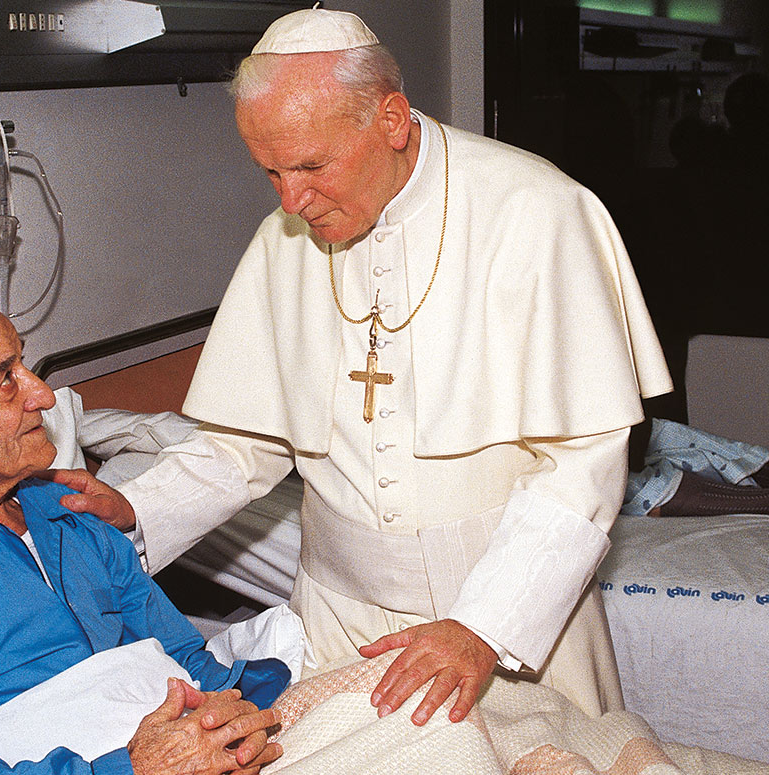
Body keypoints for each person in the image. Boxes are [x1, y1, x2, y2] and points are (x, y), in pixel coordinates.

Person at [53, 8, 672, 726]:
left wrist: (484, 626)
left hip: (500, 615)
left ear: (392, 119)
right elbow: (243, 442)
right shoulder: (287, 234)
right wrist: (137, 507)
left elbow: (584, 456)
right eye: (271, 172)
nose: (290, 201)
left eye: (312, 166)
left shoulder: (537, 211)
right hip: (335, 615)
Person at [0, 276, 288, 775]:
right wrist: (131, 769)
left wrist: (233, 727)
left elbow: (183, 656)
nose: (43, 395)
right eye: (5, 378)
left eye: (23, 362)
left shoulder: (64, 509)